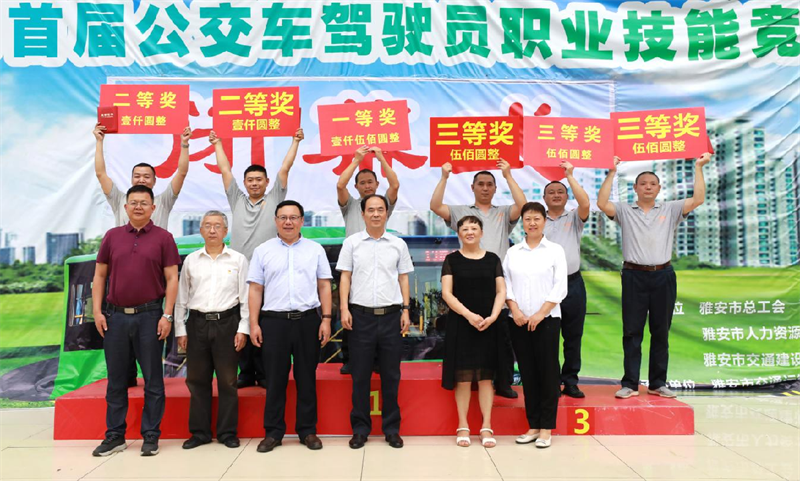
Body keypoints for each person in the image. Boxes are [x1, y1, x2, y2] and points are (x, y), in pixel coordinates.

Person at [597, 154, 711, 399]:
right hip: (633, 276)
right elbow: (602, 203)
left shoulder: (670, 209)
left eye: (652, 184)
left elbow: (698, 199)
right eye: (643, 184)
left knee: (661, 331)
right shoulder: (625, 210)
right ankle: (630, 383)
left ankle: (658, 383)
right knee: (632, 332)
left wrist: (698, 167)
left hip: (663, 276)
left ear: (659, 188)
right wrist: (612, 172)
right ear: (635, 188)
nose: (647, 187)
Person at [94, 123, 191, 388]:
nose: (141, 179)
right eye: (137, 175)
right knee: (121, 368)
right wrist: (99, 141)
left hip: (153, 279)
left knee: (151, 351)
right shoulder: (120, 199)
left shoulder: (162, 201)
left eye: (147, 176)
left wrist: (184, 144)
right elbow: (100, 173)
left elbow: (182, 172)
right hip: (122, 276)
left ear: (154, 182)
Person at [210, 128, 304, 389]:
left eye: (259, 180)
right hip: (238, 273)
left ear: (266, 182)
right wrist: (217, 143)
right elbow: (225, 170)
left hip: (268, 275)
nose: (254, 183)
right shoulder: (237, 200)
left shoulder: (274, 199)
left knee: (263, 322)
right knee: (240, 321)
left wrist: (295, 141)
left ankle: (263, 373)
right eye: (250, 180)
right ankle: (246, 372)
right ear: (244, 183)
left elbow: (285, 168)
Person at [91, 185, 180, 457]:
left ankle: (151, 436)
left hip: (150, 317)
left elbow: (172, 278)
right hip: (115, 317)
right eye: (133, 202)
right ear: (125, 207)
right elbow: (100, 276)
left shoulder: (164, 238)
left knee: (153, 379)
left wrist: (167, 315)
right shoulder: (112, 236)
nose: (138, 206)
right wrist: (97, 312)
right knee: (117, 380)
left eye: (143, 202)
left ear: (153, 208)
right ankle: (115, 436)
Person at [430, 160, 527, 399]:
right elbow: (435, 206)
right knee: (468, 335)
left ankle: (503, 382)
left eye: (489, 184)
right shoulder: (462, 212)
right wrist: (444, 177)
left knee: (501, 338)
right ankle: (470, 380)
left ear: (495, 188)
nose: (485, 188)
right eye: (480, 184)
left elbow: (523, 206)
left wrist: (508, 175)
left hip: (496, 281)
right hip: (467, 281)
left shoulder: (503, 212)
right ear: (472, 187)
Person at [247, 200, 333, 453]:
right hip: (274, 323)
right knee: (275, 380)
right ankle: (273, 433)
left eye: (293, 217)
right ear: (275, 221)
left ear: (302, 221)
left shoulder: (315, 250)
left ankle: (307, 431)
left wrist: (326, 319)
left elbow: (324, 285)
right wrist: (254, 323)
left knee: (307, 378)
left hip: (307, 321)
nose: (288, 222)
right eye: (283, 217)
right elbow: (255, 289)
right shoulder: (263, 251)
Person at [337, 194, 414, 450]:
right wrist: (344, 308)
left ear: (386, 213)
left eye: (380, 209)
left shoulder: (398, 244)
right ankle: (360, 430)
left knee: (391, 376)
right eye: (371, 210)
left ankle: (392, 430)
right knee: (360, 376)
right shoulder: (352, 243)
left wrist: (406, 310)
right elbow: (345, 277)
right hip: (360, 317)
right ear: (363, 214)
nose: (376, 214)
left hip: (391, 316)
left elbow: (403, 278)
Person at [174, 211, 249, 450]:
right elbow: (181, 298)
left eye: (217, 226)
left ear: (226, 231)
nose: (213, 230)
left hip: (228, 323)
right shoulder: (191, 260)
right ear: (201, 231)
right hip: (197, 324)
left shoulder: (238, 260)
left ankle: (227, 433)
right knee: (197, 380)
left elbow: (246, 298)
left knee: (228, 381)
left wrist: (243, 328)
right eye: (207, 225)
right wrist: (180, 329)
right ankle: (200, 433)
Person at [504, 202, 567, 449]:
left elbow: (560, 286)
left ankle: (546, 428)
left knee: (548, 374)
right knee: (528, 374)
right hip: (518, 321)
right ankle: (533, 425)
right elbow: (506, 284)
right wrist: (516, 310)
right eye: (527, 219)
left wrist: (540, 314)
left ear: (544, 221)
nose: (532, 223)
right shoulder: (513, 252)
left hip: (547, 321)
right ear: (522, 222)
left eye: (536, 219)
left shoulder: (555, 251)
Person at [440, 216, 506, 448]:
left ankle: (486, 426)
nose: (469, 232)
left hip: (488, 324)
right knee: (464, 378)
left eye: (474, 228)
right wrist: (469, 315)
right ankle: (463, 426)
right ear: (459, 233)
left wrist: (494, 316)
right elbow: (447, 294)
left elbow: (501, 291)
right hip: (461, 325)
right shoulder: (451, 260)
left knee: (487, 377)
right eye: (465, 228)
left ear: (481, 233)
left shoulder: (493, 259)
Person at [336, 145, 400, 375]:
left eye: (370, 182)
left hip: (379, 262)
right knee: (352, 311)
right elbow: (340, 185)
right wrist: (356, 160)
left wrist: (381, 158)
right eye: (362, 183)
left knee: (378, 315)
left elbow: (395, 185)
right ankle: (350, 358)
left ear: (376, 184)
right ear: (356, 187)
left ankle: (377, 360)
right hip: (353, 265)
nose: (367, 186)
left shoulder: (382, 205)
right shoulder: (351, 205)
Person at [542, 161, 591, 399]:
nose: (556, 195)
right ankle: (550, 382)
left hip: (572, 284)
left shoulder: (574, 218)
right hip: (545, 286)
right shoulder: (536, 220)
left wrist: (569, 176)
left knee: (573, 337)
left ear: (566, 196)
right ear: (544, 198)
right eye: (551, 192)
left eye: (560, 192)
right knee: (547, 337)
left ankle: (570, 381)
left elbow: (585, 204)